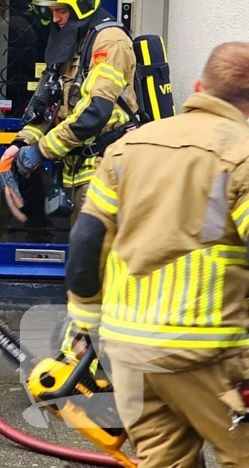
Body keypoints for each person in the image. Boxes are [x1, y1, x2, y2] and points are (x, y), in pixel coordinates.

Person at [64, 42, 249, 467]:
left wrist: (86, 326)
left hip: (128, 351)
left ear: (199, 88)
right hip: (207, 351)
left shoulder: (128, 148)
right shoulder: (241, 153)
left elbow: (87, 241)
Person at [0, 0, 137, 223]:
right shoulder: (73, 41)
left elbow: (94, 113)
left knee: (96, 258)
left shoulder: (110, 42)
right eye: (51, 11)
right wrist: (20, 144)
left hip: (107, 169)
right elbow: (47, 107)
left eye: (60, 10)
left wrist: (41, 151)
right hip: (80, 173)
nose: (55, 18)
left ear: (82, 5)